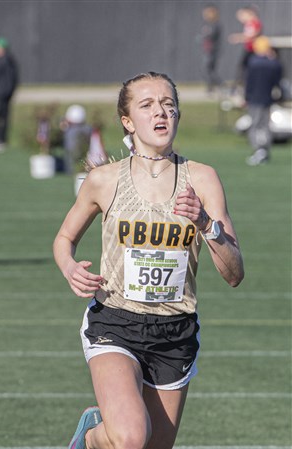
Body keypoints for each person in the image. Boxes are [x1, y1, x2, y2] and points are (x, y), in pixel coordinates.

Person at [53, 72, 244, 449]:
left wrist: (207, 224)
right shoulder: (105, 180)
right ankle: (91, 438)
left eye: (169, 105)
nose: (161, 113)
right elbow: (64, 239)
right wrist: (69, 267)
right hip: (116, 322)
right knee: (129, 438)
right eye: (148, 105)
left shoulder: (203, 179)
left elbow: (235, 272)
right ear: (128, 121)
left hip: (175, 332)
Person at [244, 36, 282, 166]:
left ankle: (259, 150)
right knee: (265, 125)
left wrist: (246, 96)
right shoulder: (275, 64)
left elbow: (249, 82)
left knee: (255, 125)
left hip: (255, 99)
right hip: (268, 99)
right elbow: (278, 82)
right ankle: (265, 150)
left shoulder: (253, 62)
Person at [228, 6, 262, 93]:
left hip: (253, 50)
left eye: (244, 15)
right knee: (243, 69)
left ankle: (244, 88)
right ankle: (240, 87)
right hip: (249, 49)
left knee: (246, 69)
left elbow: (251, 35)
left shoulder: (254, 23)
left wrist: (237, 37)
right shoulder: (249, 24)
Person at [199, 4, 222, 93]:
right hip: (207, 50)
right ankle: (213, 86)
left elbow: (211, 35)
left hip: (212, 51)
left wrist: (206, 34)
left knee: (208, 69)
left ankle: (218, 85)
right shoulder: (207, 24)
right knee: (208, 70)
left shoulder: (215, 25)